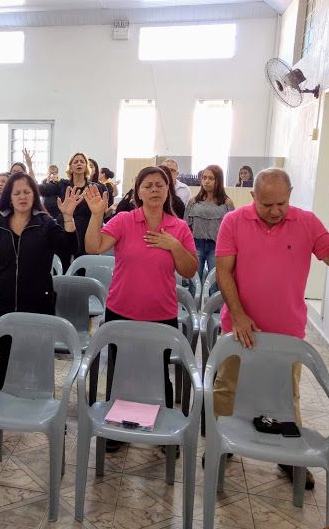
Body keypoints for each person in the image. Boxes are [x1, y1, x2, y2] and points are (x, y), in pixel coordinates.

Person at [213, 168, 329, 489]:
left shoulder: (306, 222)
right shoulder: (234, 222)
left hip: (287, 335)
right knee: (228, 392)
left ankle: (289, 455)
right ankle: (221, 447)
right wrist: (238, 315)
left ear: (290, 195)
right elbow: (223, 271)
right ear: (253, 196)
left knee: (284, 398)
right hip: (239, 330)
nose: (275, 211)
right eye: (266, 205)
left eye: (281, 203)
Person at [84, 166, 198, 450]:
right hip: (121, 312)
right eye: (148, 185)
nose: (154, 190)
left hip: (161, 315)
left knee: (158, 373)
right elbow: (93, 247)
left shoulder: (178, 227)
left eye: (160, 184)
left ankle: (164, 432)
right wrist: (97, 215)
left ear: (168, 190)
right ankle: (116, 429)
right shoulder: (124, 220)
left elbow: (189, 269)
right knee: (122, 373)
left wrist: (174, 245)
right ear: (138, 192)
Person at [0, 171, 80, 389]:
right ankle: (4, 398)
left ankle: (41, 401)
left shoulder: (45, 224)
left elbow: (69, 248)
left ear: (34, 195)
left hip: (38, 304)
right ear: (9, 198)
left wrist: (68, 216)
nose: (22, 196)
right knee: (7, 356)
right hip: (2, 305)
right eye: (17, 193)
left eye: (27, 192)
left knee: (37, 356)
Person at [39, 152, 107, 270]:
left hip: (86, 232)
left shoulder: (95, 187)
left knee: (84, 268)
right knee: (62, 265)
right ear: (70, 167)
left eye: (82, 161)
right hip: (65, 229)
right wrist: (27, 182)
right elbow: (43, 189)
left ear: (86, 166)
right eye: (75, 162)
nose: (79, 163)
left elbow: (100, 213)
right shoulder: (62, 184)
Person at [184, 165, 234, 293]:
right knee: (194, 283)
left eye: (211, 178)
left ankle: (214, 306)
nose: (206, 181)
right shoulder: (193, 202)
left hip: (217, 247)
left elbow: (232, 230)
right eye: (204, 178)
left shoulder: (227, 203)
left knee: (215, 283)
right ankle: (192, 306)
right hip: (196, 244)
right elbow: (186, 227)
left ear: (218, 181)